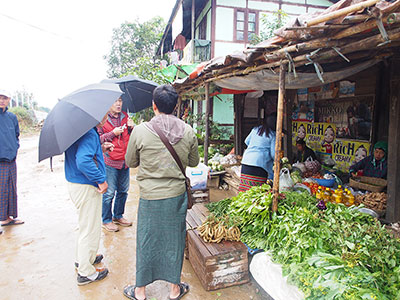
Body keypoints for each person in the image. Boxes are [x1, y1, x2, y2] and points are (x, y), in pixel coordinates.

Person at [124, 85, 199, 300]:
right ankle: (175, 289)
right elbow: (194, 162)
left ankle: (140, 291)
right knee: (174, 239)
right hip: (176, 195)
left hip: (150, 196)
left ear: (153, 105)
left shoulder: (140, 131)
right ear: (176, 106)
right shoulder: (188, 131)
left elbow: (130, 161)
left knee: (146, 239)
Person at [65, 114, 112, 285]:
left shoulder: (78, 131)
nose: (106, 117)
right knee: (89, 228)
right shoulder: (90, 134)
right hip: (85, 185)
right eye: (105, 114)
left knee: (85, 225)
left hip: (75, 182)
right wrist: (101, 179)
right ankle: (85, 272)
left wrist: (100, 149)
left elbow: (81, 154)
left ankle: (85, 258)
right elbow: (83, 161)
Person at [98, 97, 134, 232]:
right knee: (109, 193)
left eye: (120, 101)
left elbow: (129, 137)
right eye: (115, 101)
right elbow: (98, 139)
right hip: (110, 161)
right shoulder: (102, 119)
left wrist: (131, 128)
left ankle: (118, 215)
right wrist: (112, 133)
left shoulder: (125, 116)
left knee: (123, 191)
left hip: (125, 160)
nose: (118, 104)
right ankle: (106, 220)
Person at [0, 90, 24, 230]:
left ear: (9, 100)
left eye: (5, 98)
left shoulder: (11, 117)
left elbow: (16, 134)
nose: (2, 100)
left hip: (11, 158)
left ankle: (9, 216)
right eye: (0, 98)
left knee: (11, 187)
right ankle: (2, 218)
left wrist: (15, 147)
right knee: (1, 189)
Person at [238, 114, 276, 192]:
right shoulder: (273, 135)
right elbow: (273, 154)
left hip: (246, 161)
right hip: (259, 164)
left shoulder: (256, 129)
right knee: (257, 192)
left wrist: (254, 147)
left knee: (245, 191)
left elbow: (246, 141)